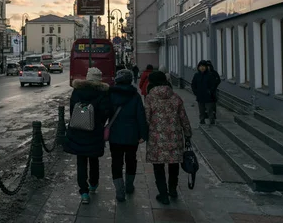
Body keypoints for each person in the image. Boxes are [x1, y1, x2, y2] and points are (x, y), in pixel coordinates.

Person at [63, 67, 112, 204]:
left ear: (87, 77)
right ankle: (93, 184)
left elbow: (72, 109)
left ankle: (83, 192)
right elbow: (106, 112)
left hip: (78, 130)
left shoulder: (77, 90)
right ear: (99, 79)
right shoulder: (103, 93)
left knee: (81, 161)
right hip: (95, 131)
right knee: (94, 159)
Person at [145, 71, 192, 205]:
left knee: (158, 167)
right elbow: (183, 117)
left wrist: (142, 134)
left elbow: (146, 118)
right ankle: (172, 190)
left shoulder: (150, 98)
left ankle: (163, 194)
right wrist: (187, 133)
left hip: (156, 138)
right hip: (174, 137)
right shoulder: (175, 97)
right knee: (173, 164)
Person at [108, 69, 148, 202]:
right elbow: (141, 116)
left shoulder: (111, 94)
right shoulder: (135, 96)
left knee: (116, 162)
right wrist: (143, 134)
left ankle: (120, 191)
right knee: (131, 160)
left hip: (115, 135)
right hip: (132, 135)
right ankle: (129, 185)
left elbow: (105, 113)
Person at [191, 60, 216, 125]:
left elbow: (213, 85)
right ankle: (202, 121)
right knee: (201, 110)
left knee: (209, 110)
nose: (202, 68)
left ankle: (212, 121)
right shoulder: (196, 75)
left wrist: (210, 91)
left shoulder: (210, 75)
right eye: (201, 66)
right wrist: (195, 92)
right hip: (200, 96)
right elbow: (193, 84)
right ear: (198, 67)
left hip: (209, 97)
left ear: (206, 67)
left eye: (203, 66)